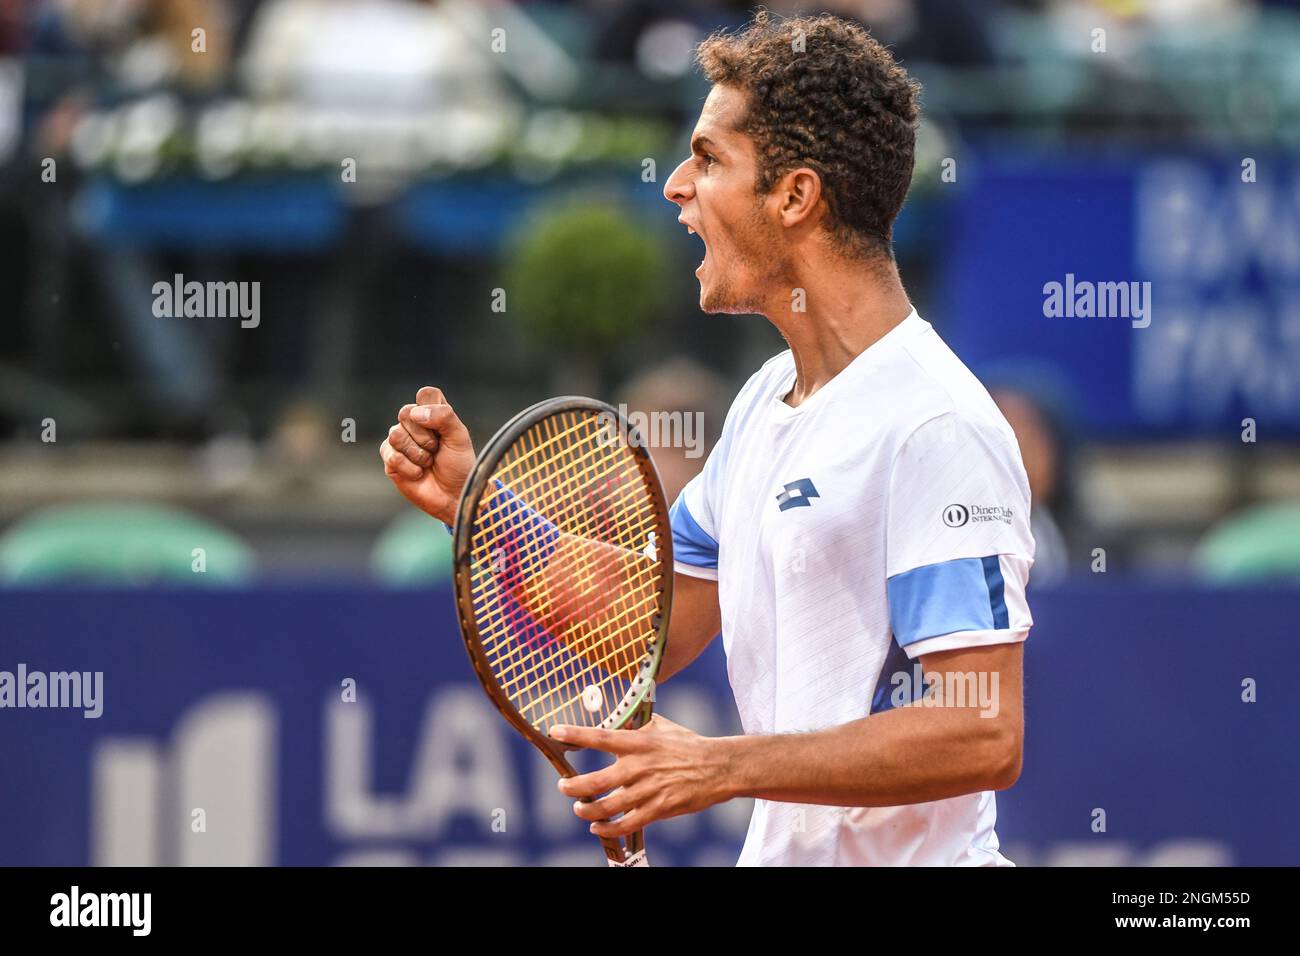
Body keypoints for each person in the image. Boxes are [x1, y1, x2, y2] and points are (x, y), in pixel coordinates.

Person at [380, 12, 1035, 866]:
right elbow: (653, 627)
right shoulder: (765, 398)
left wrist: (720, 768)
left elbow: (982, 732)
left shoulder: (935, 425)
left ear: (794, 196)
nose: (676, 185)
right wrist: (481, 505)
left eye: (709, 158)